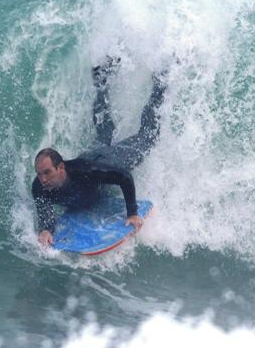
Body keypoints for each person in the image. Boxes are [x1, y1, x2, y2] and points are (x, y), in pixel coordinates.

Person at [32, 57, 167, 246]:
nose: (42, 179)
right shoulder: (40, 187)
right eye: (39, 174)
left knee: (148, 137)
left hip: (110, 159)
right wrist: (46, 229)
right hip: (91, 154)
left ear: (61, 168)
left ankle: (161, 81)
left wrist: (133, 213)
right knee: (104, 131)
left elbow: (124, 177)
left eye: (47, 172)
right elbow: (44, 211)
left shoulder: (86, 172)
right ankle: (100, 78)